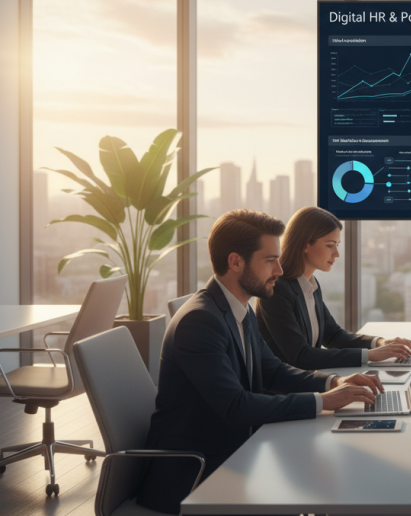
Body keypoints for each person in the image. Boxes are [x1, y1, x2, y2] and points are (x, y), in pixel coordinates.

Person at [135, 210, 385, 514]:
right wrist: (324, 401)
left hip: (236, 451)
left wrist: (335, 383)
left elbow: (273, 370)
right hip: (195, 475)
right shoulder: (199, 321)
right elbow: (235, 407)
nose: (280, 270)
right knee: (331, 480)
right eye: (270, 260)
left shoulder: (237, 307)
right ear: (236, 262)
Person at [255, 206, 411, 369]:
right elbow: (300, 356)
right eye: (330, 245)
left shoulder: (310, 284)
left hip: (309, 381)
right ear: (305, 245)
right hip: (287, 391)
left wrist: (379, 343)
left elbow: (333, 335)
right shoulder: (276, 289)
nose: (337, 253)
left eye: (337, 245)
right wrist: (370, 355)